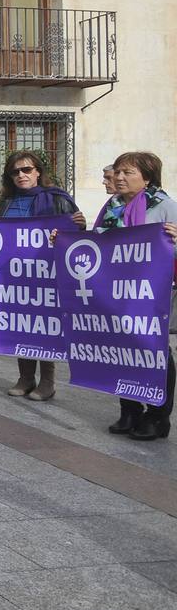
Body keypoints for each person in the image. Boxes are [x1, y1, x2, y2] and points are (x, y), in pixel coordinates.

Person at [96, 152, 177, 441]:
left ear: (147, 177)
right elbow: (98, 243)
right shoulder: (111, 206)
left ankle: (157, 416)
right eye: (117, 171)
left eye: (127, 172)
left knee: (154, 347)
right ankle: (129, 409)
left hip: (152, 290)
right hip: (118, 290)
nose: (119, 177)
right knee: (122, 347)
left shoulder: (165, 205)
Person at [0, 150, 87, 400]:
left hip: (47, 274)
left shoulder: (58, 199)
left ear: (38, 172)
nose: (21, 175)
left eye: (26, 170)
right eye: (15, 172)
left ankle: (47, 382)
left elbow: (75, 236)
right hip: (15, 275)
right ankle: (25, 378)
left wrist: (79, 225)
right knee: (21, 325)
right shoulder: (6, 202)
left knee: (45, 325)